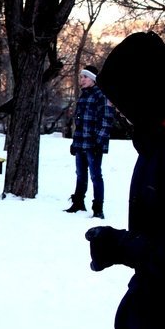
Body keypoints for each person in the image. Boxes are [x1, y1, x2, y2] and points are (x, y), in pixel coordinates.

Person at [84, 31, 165, 329]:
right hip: (149, 322)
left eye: (121, 99)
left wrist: (121, 246)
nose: (117, 110)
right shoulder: (153, 141)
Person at [65, 65, 115, 219]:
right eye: (81, 77)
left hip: (93, 144)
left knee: (95, 175)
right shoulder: (84, 96)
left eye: (85, 77)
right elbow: (78, 123)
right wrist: (74, 143)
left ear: (93, 79)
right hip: (81, 143)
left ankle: (98, 208)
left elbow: (106, 121)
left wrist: (98, 142)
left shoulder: (102, 95)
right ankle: (78, 202)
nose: (82, 80)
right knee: (80, 174)